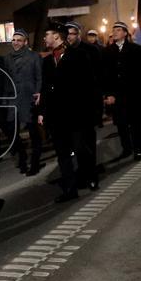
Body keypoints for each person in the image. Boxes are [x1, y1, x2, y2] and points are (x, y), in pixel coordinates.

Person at [36, 23, 96, 202]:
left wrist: (89, 109)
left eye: (47, 35)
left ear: (56, 36)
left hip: (76, 113)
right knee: (62, 154)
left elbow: (88, 84)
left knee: (80, 148)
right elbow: (45, 88)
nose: (44, 38)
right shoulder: (47, 61)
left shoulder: (78, 55)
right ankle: (70, 189)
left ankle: (90, 176)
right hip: (56, 116)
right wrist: (42, 112)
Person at [102, 21, 141, 160]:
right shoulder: (107, 51)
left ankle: (138, 149)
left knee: (135, 123)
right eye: (114, 30)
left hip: (133, 92)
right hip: (117, 95)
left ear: (125, 33)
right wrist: (108, 93)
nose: (115, 32)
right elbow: (105, 74)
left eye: (118, 30)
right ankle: (126, 148)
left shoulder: (135, 49)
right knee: (121, 124)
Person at [65, 21, 102, 189]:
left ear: (79, 34)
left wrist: (99, 102)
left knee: (88, 143)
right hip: (71, 107)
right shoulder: (64, 52)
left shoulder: (91, 50)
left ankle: (92, 175)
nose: (69, 37)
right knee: (77, 144)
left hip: (87, 104)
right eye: (67, 34)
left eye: (72, 34)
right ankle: (82, 172)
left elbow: (98, 76)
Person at [6, 28, 42, 175]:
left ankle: (35, 163)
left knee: (34, 133)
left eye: (19, 40)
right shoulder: (7, 58)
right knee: (11, 131)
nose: (15, 43)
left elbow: (39, 77)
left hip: (29, 99)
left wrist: (38, 93)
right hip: (13, 99)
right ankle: (22, 156)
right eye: (13, 40)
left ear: (25, 42)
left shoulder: (34, 56)